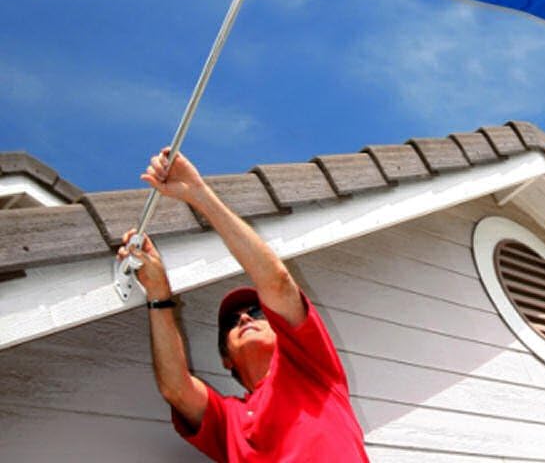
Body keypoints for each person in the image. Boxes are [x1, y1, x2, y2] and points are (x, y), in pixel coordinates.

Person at [117, 147, 369, 462]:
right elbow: (176, 389)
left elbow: (276, 281)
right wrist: (157, 291)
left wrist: (199, 193)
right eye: (231, 323)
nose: (244, 319)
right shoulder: (229, 419)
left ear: (282, 333)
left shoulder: (311, 368)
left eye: (256, 312)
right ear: (226, 360)